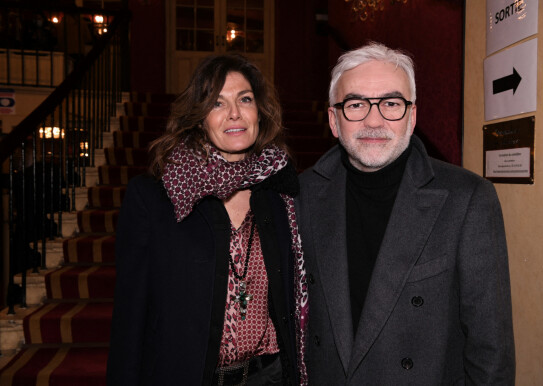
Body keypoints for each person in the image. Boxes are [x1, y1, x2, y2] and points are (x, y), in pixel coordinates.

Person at [296, 42, 515, 384]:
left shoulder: (467, 199)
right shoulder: (302, 194)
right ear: (334, 120)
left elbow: (491, 349)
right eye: (355, 104)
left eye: (391, 103)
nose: (373, 119)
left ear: (412, 117)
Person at [107, 53, 308, 386]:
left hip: (270, 376)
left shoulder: (281, 192)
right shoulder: (155, 197)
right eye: (217, 103)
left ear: (259, 111)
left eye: (245, 99)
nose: (234, 113)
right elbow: (131, 318)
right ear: (199, 118)